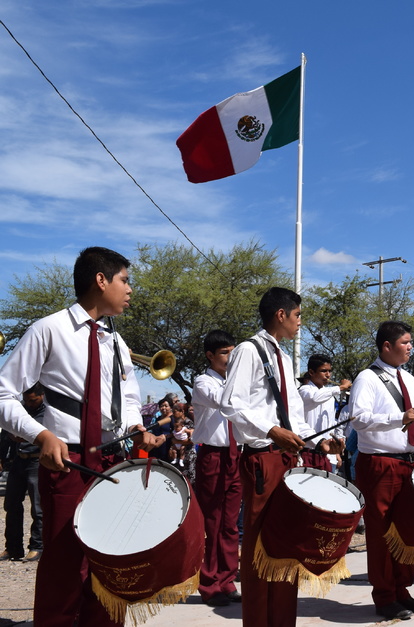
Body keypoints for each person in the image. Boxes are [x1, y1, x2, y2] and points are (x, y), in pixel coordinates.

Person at [0, 246, 160, 626]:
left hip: (111, 464)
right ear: (100, 280)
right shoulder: (49, 329)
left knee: (110, 565)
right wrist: (40, 435)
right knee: (64, 565)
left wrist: (138, 430)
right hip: (67, 461)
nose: (130, 289)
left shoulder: (117, 342)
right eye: (125, 279)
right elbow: (4, 392)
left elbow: (130, 400)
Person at [220, 287, 335, 627]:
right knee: (260, 550)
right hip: (263, 459)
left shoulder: (284, 357)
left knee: (287, 546)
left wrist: (318, 444)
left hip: (287, 460)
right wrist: (271, 431)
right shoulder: (249, 350)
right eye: (298, 315)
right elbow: (231, 402)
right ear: (281, 315)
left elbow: (294, 416)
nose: (301, 322)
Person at [349, 321, 414, 621]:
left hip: (410, 461)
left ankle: (402, 589)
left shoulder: (409, 380)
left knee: (406, 530)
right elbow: (358, 420)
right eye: (405, 342)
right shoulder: (366, 379)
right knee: (382, 532)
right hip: (380, 463)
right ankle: (384, 596)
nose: (410, 347)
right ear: (387, 346)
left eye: (411, 342)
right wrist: (399, 418)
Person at [191, 329, 242, 607]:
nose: (230, 357)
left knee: (230, 524)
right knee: (213, 521)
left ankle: (227, 580)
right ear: (210, 356)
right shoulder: (202, 382)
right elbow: (224, 403)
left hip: (236, 456)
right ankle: (210, 584)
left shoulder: (233, 381)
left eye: (233, 352)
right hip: (213, 455)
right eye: (224, 353)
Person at [1, 383, 45, 562]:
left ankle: (37, 546)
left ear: (42, 396)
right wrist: (2, 457)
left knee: (38, 508)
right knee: (11, 504)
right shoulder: (19, 409)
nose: (29, 403)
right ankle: (12, 548)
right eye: (26, 400)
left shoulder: (49, 413)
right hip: (19, 460)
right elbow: (5, 433)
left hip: (37, 462)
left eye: (32, 400)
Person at [298, 354, 350, 472]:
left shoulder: (330, 396)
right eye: (324, 371)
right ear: (311, 372)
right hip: (307, 452)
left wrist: (335, 454)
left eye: (330, 371)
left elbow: (331, 425)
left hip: (325, 454)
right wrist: (340, 388)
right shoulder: (305, 390)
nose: (328, 375)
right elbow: (315, 398)